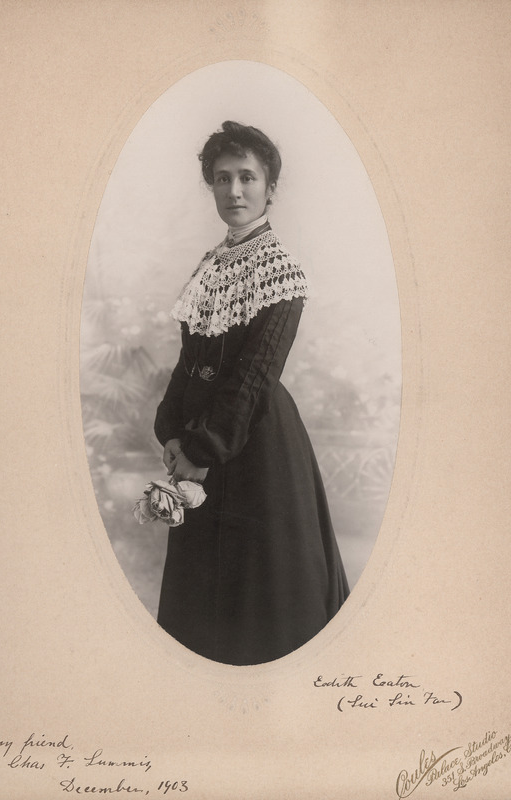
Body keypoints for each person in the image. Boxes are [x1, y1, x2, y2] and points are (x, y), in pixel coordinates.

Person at [154, 121, 348, 665]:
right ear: (210, 186)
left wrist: (200, 451)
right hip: (196, 440)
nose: (233, 191)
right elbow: (189, 360)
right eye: (221, 179)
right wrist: (170, 430)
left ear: (269, 187)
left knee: (262, 600)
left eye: (246, 178)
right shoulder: (210, 266)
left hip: (255, 446)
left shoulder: (282, 274)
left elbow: (252, 378)